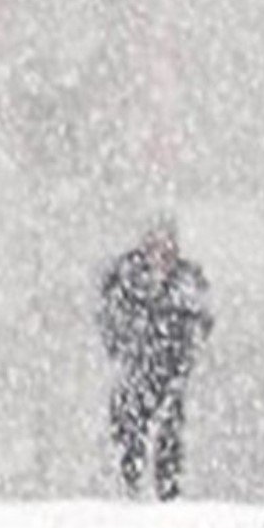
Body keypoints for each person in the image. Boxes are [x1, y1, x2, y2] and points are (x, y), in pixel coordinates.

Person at [97, 214, 214, 502]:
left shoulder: (186, 282)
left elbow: (201, 320)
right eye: (155, 244)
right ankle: (129, 489)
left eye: (167, 245)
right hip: (136, 368)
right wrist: (126, 346)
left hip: (171, 370)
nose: (161, 252)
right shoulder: (126, 277)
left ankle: (168, 493)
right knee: (129, 428)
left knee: (170, 432)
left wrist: (186, 352)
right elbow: (110, 319)